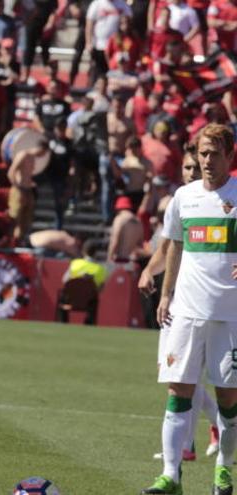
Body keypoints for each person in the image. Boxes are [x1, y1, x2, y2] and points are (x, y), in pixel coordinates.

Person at [142, 123, 237, 495]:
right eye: (202, 153)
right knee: (179, 389)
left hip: (230, 315)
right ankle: (171, 475)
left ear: (230, 155)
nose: (207, 160)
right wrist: (166, 295)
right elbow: (175, 247)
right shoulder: (184, 197)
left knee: (228, 397)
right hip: (186, 309)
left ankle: (224, 470)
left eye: (214, 153)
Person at [138, 148, 221, 463]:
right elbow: (168, 247)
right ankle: (200, 436)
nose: (191, 171)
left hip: (208, 301)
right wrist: (149, 271)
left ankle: (199, 438)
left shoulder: (219, 202)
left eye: (195, 166)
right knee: (178, 374)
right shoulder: (183, 200)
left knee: (193, 377)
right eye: (187, 166)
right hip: (179, 302)